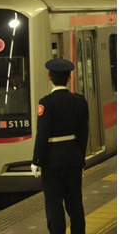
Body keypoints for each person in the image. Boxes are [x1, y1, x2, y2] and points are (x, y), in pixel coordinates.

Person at [31, 58, 89, 234]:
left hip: (51, 160)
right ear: (69, 78)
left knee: (54, 203)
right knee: (75, 202)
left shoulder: (46, 103)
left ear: (49, 77)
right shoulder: (80, 101)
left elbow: (43, 135)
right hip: (73, 158)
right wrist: (80, 155)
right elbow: (83, 132)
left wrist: (36, 160)